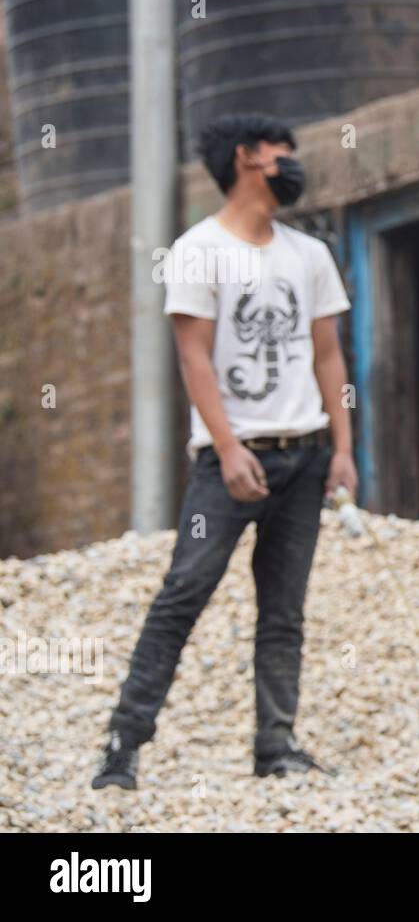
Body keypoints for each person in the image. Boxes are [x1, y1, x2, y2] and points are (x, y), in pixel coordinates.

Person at [92, 114, 355, 789]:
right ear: (245, 158)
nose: (293, 162)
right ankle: (123, 746)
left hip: (303, 457)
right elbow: (194, 357)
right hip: (228, 460)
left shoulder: (309, 254)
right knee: (183, 592)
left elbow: (329, 356)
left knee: (284, 609)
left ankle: (276, 745)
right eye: (282, 152)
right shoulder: (197, 249)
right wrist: (230, 446)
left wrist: (342, 447)